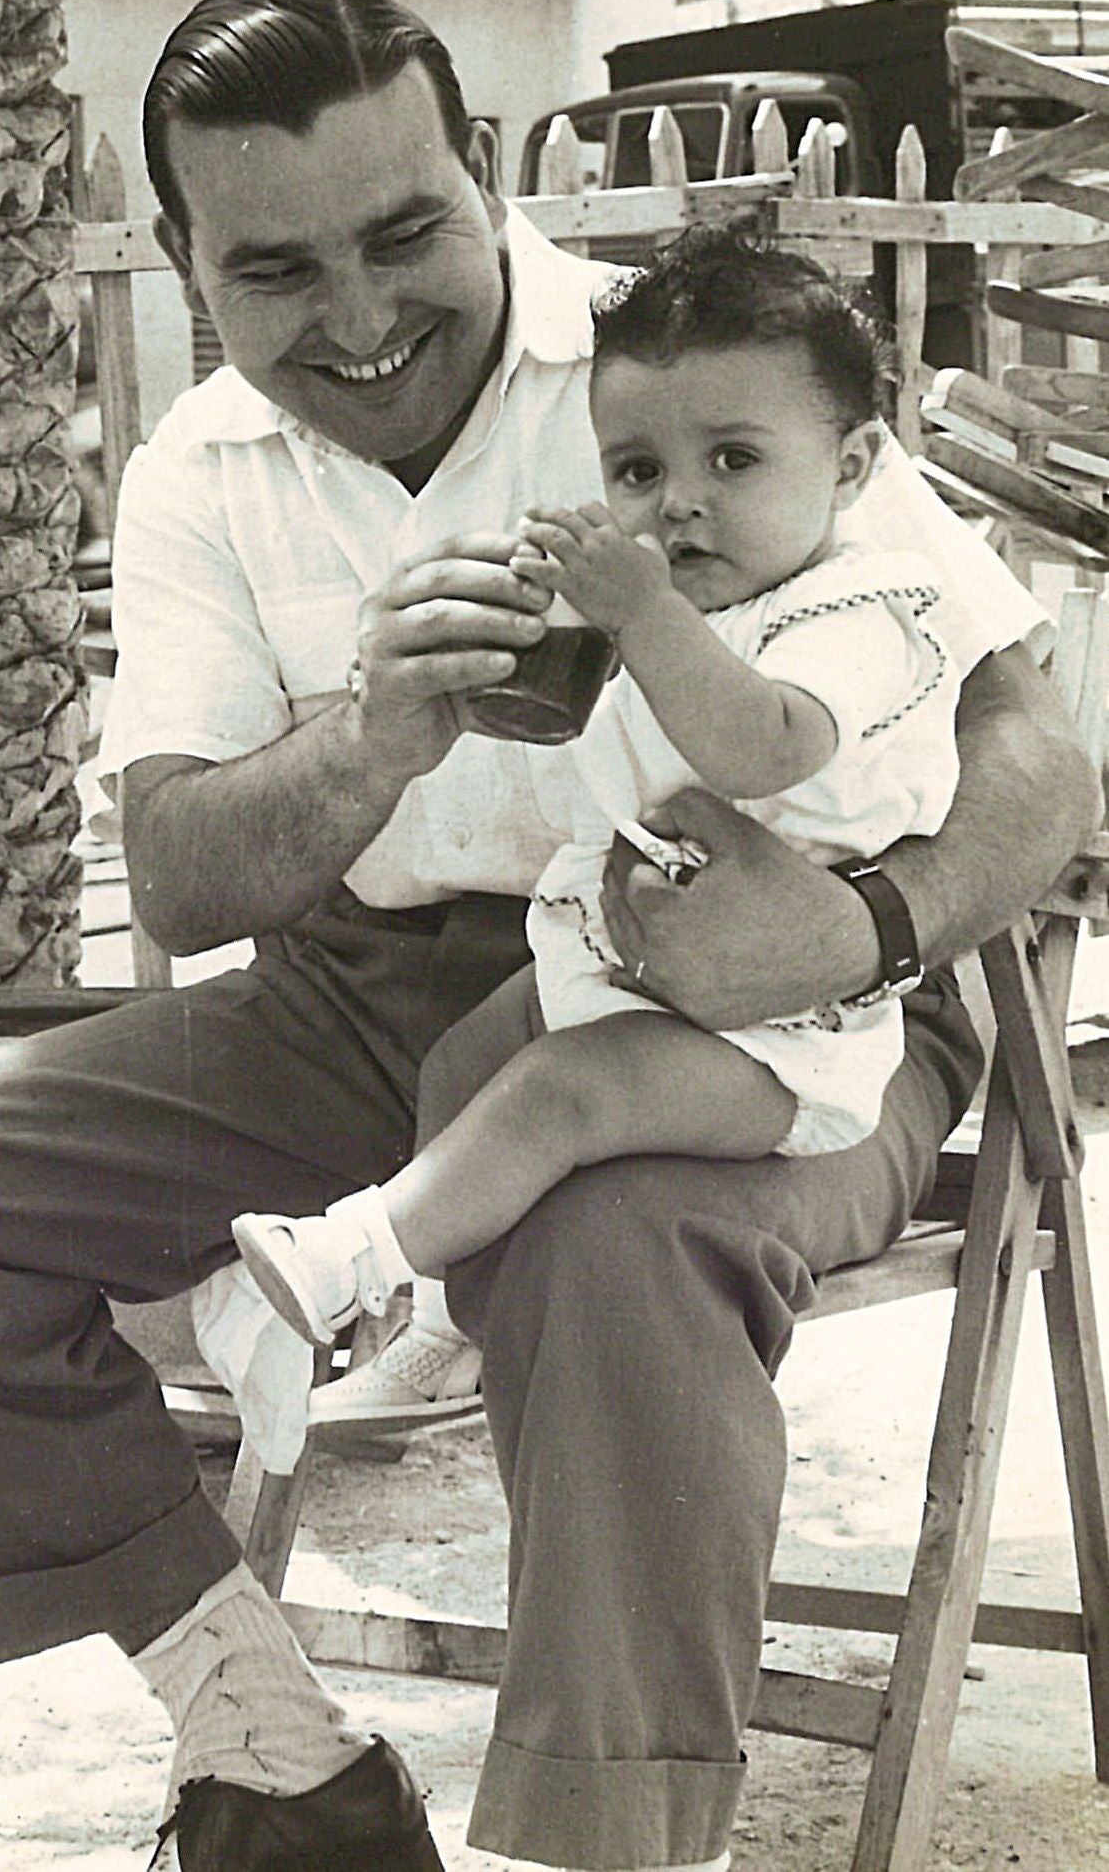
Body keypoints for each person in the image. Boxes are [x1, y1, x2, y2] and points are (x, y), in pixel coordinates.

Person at [0, 0, 1097, 1872]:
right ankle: (279, 1755)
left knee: (615, 1227)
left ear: (483, 173)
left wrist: (863, 925)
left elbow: (1030, 736)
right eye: (277, 273)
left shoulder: (678, 375)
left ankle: (610, 1845)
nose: (361, 318)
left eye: (404, 235)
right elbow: (177, 872)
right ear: (179, 264)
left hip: (767, 998)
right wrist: (365, 744)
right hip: (367, 994)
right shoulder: (194, 474)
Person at [232, 231, 964, 1356]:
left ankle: (354, 1260)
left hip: (779, 1033)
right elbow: (601, 742)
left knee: (558, 1094)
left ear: (854, 465)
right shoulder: (696, 605)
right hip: (620, 961)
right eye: (638, 471)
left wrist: (641, 616)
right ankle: (443, 1331)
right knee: (468, 1066)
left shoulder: (865, 611)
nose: (679, 506)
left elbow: (763, 747)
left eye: (734, 461)